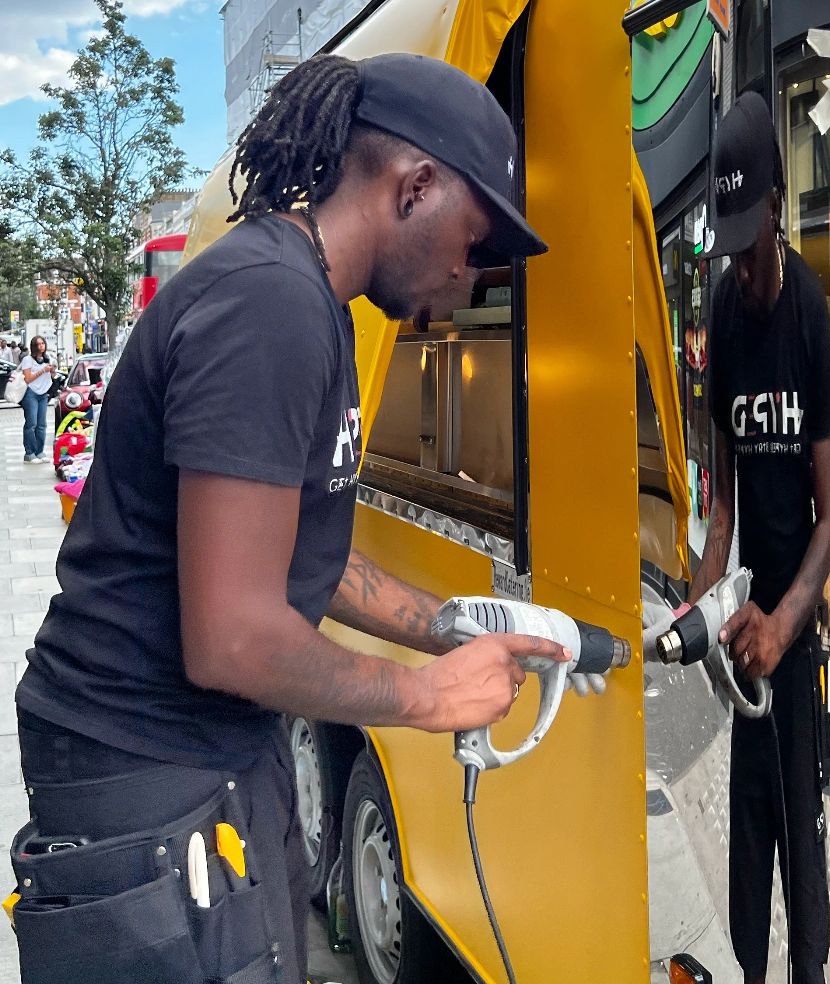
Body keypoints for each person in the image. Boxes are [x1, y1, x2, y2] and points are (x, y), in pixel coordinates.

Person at [12, 53, 564, 984]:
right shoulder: (267, 304)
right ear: (414, 186)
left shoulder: (313, 306)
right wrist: (426, 699)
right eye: (476, 241)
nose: (475, 277)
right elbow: (230, 635)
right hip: (142, 766)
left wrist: (455, 625)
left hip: (207, 750)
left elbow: (297, 553)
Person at [692, 91, 830, 984]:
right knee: (748, 835)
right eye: (731, 249)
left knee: (801, 835)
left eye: (751, 245)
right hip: (749, 630)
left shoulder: (810, 317)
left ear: (777, 211)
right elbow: (720, 505)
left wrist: (787, 622)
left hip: (796, 618)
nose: (742, 271)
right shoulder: (720, 308)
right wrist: (703, 607)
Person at [17, 335, 54, 464]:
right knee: (31, 424)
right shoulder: (28, 360)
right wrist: (43, 370)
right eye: (38, 344)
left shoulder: (48, 358)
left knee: (42, 425)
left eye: (42, 343)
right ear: (33, 346)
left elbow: (52, 376)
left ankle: (40, 452)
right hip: (31, 393)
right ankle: (29, 453)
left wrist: (52, 371)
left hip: (43, 394)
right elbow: (28, 379)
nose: (41, 346)